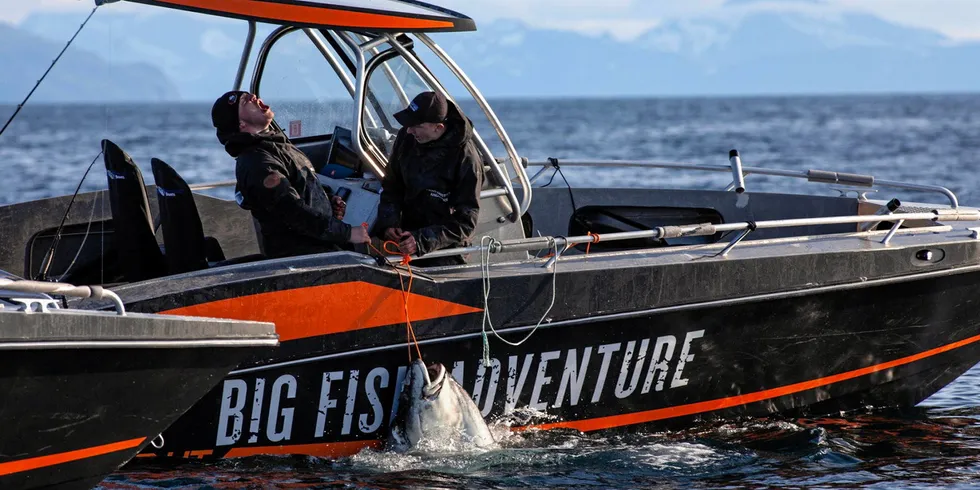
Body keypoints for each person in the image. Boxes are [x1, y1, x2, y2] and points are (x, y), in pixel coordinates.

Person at [211, 90, 369, 258]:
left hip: (319, 248)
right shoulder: (258, 162)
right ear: (241, 124)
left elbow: (298, 186)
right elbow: (292, 212)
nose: (253, 97)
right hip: (302, 259)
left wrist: (327, 201)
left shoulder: (274, 145)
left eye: (249, 95)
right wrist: (347, 233)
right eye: (245, 102)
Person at [375, 91, 484, 267]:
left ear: (438, 128)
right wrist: (389, 223)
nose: (409, 130)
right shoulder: (406, 137)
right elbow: (392, 186)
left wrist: (421, 241)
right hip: (405, 241)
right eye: (408, 124)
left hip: (445, 251)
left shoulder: (466, 159)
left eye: (416, 126)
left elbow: (466, 222)